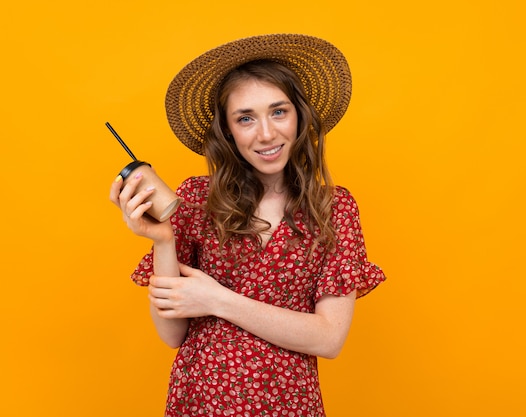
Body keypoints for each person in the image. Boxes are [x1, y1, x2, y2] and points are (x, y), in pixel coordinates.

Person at [110, 33, 386, 417]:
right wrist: (163, 241)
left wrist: (217, 300)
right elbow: (172, 334)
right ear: (227, 131)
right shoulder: (196, 199)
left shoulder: (333, 208)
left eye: (278, 112)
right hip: (200, 402)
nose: (267, 134)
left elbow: (329, 338)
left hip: (288, 406)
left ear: (300, 116)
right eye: (245, 118)